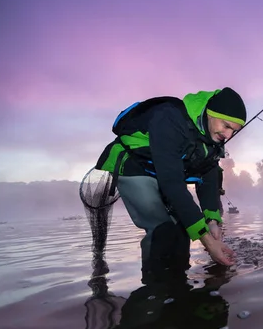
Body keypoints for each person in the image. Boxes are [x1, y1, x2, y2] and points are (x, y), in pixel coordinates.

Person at [94, 88, 245, 270]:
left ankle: (178, 287)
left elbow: (209, 173)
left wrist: (212, 221)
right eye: (226, 126)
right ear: (210, 114)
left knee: (183, 231)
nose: (228, 136)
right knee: (162, 230)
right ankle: (156, 290)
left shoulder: (213, 138)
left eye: (234, 131)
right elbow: (172, 184)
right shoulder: (169, 117)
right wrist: (208, 243)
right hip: (133, 166)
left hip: (162, 174)